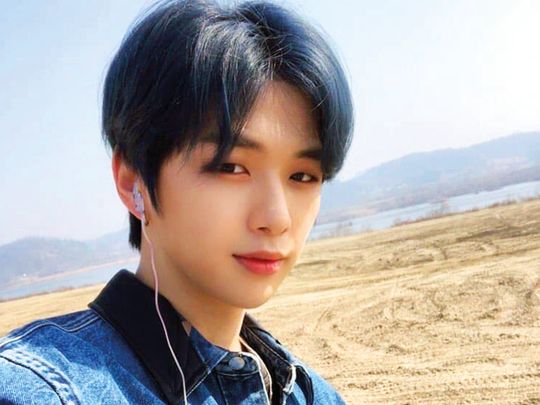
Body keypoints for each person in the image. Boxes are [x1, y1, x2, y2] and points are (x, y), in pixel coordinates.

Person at [0, 0, 353, 403]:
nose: (277, 218)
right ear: (133, 181)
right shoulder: (42, 392)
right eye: (231, 167)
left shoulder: (311, 394)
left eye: (303, 176)